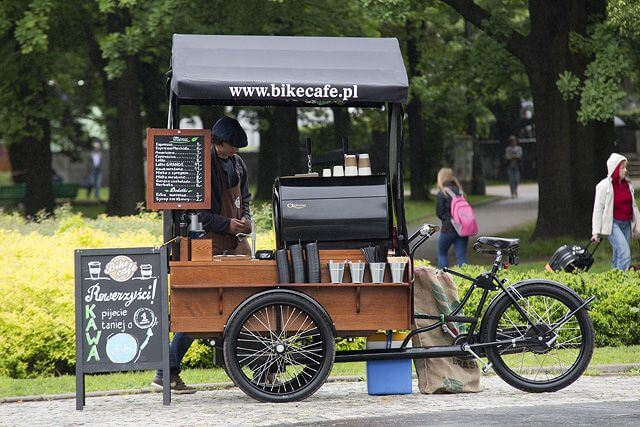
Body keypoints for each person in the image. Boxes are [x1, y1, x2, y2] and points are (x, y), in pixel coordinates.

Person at [151, 116, 252, 392]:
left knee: (247, 303)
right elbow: (194, 212)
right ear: (219, 143)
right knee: (201, 309)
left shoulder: (238, 165)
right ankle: (166, 370)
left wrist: (245, 220)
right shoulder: (200, 165)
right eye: (232, 146)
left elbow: (245, 199)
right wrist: (225, 224)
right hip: (207, 243)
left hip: (236, 241)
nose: (236, 152)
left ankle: (167, 372)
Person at [592, 153, 640, 271]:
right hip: (613, 224)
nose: (625, 170)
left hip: (627, 223)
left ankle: (613, 277)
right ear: (614, 169)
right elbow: (598, 209)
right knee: (625, 253)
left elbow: (633, 207)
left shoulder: (627, 185)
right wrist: (596, 231)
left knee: (618, 253)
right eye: (622, 167)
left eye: (625, 167)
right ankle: (621, 282)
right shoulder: (604, 186)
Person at [436, 167, 469, 268]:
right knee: (461, 256)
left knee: (442, 254)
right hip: (462, 229)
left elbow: (439, 212)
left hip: (448, 228)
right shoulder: (460, 192)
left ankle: (444, 278)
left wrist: (445, 219)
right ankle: (464, 279)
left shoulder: (442, 193)